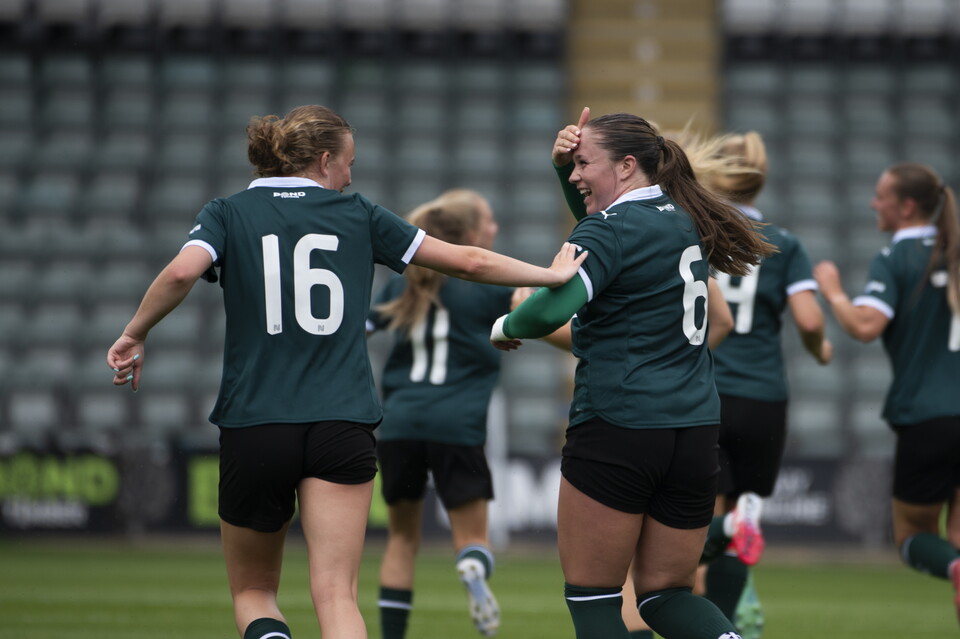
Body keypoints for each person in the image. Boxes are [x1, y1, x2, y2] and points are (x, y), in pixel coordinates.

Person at [106, 105, 586, 639]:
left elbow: (180, 273)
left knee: (254, 592)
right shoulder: (359, 214)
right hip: (343, 422)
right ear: (325, 159)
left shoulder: (227, 212)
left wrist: (135, 332)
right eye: (349, 163)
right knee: (337, 596)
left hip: (255, 419)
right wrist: (550, 275)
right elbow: (470, 262)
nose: (351, 176)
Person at [490, 108, 775, 639]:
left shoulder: (612, 229)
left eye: (583, 163)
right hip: (693, 431)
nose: (576, 174)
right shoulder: (683, 218)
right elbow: (605, 228)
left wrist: (505, 324)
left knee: (594, 599)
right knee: (667, 596)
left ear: (625, 166)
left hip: (619, 425)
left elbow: (552, 309)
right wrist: (562, 170)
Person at [673, 130, 832, 636]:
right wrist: (820, 350)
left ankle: (701, 611)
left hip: (707, 391)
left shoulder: (697, 234)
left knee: (702, 518)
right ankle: (727, 624)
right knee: (742, 524)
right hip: (765, 398)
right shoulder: (786, 244)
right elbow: (809, 321)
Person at [813, 163, 960, 624]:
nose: (873, 204)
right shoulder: (954, 251)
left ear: (907, 206)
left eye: (881, 196)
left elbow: (865, 325)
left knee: (912, 534)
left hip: (929, 416)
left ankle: (955, 568)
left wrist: (833, 292)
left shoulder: (897, 257)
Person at [367, 189, 508, 638]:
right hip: (458, 425)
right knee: (473, 539)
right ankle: (472, 564)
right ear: (470, 234)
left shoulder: (406, 281)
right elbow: (533, 316)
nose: (495, 228)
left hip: (400, 424)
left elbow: (359, 329)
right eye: (488, 221)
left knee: (402, 540)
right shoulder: (490, 283)